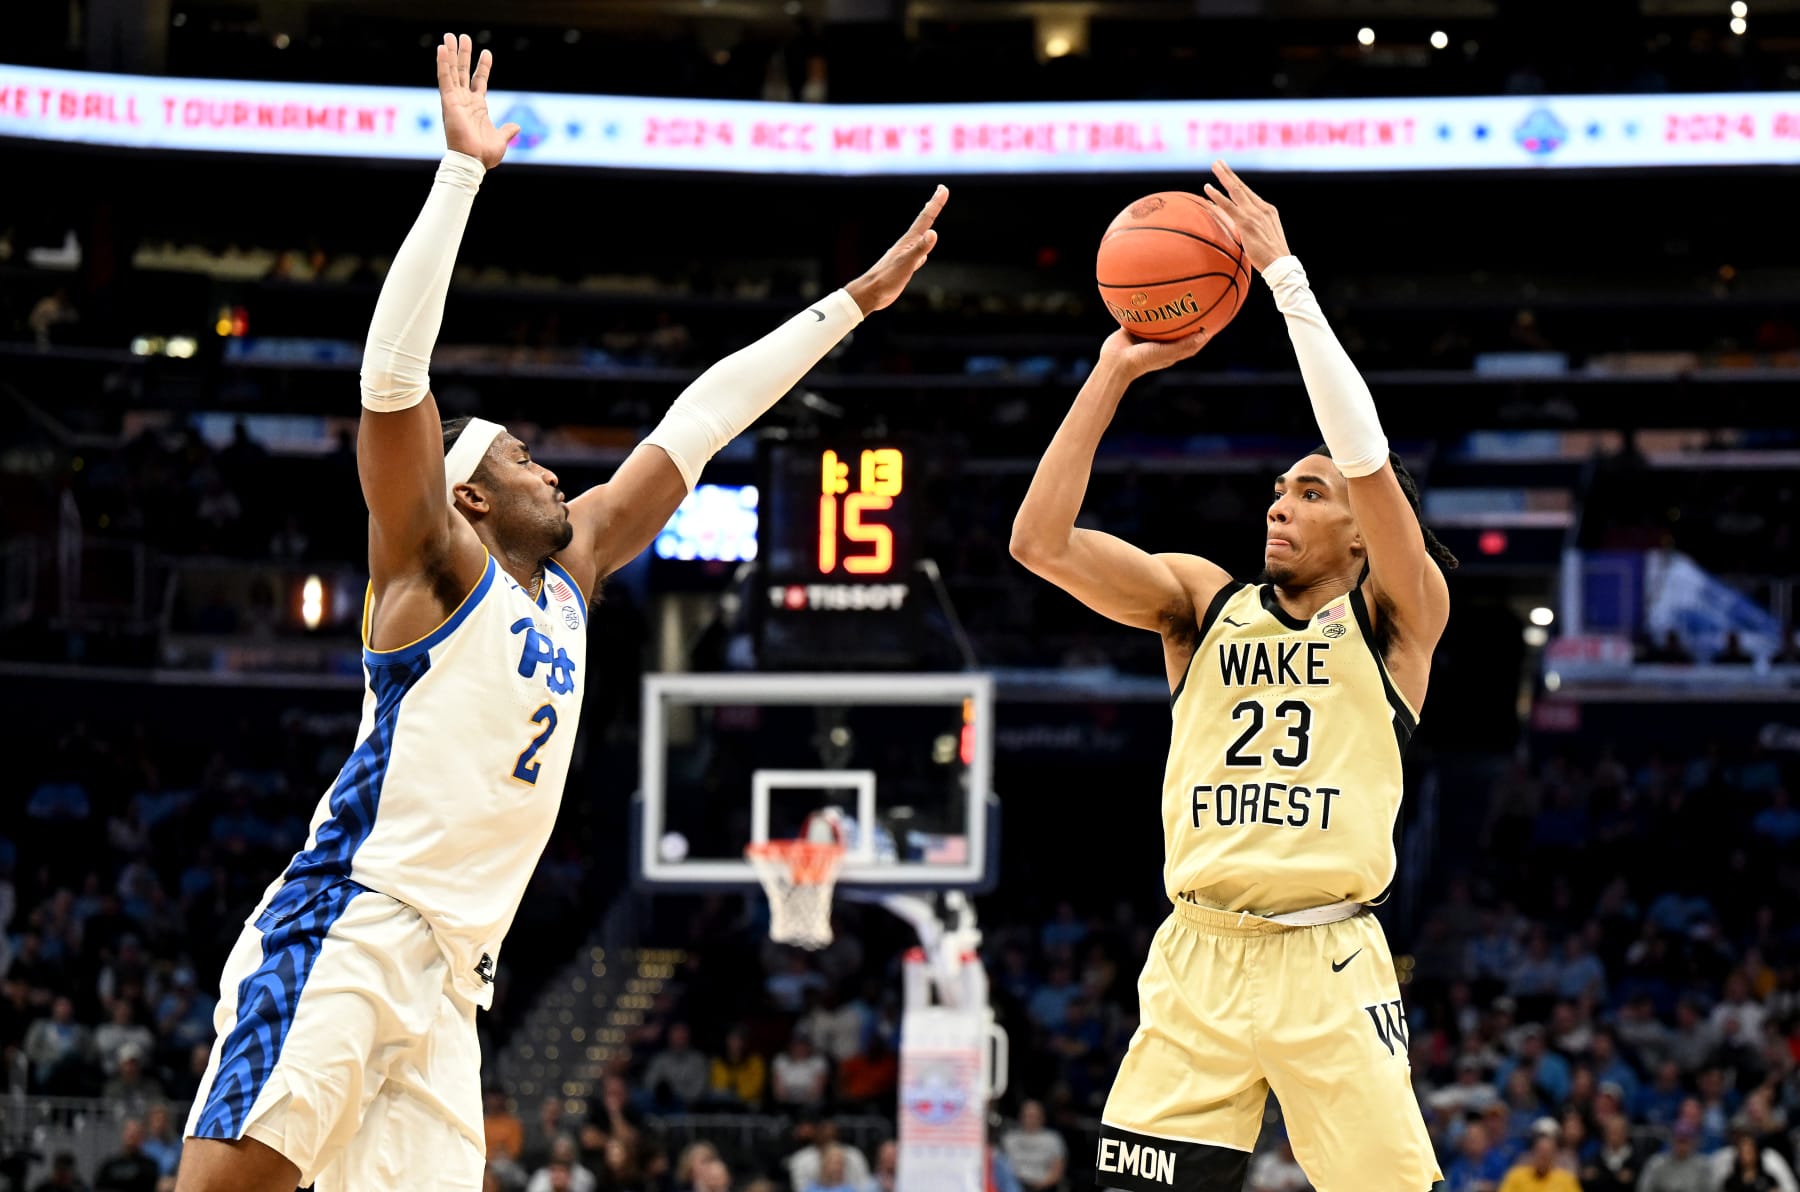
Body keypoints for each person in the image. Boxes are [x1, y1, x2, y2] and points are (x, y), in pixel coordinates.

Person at [174, 33, 946, 1192]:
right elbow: (391, 380)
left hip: (453, 979)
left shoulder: (572, 580)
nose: (556, 474)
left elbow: (700, 420)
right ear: (470, 492)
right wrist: (459, 174)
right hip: (352, 927)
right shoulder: (431, 570)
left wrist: (851, 305)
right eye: (529, 459)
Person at [1011, 160, 1457, 1192]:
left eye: (1309, 492)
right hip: (1197, 954)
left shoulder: (1400, 618)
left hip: (1328, 960)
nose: (1281, 505)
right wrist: (1113, 372)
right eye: (1277, 489)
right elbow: (1038, 541)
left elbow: (1367, 454)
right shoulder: (1200, 602)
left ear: (1362, 526)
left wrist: (1288, 281)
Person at [1493, 1135, 1579, 1192]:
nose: (1543, 1156)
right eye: (1540, 1151)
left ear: (1555, 1156)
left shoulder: (1566, 1180)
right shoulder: (1515, 1175)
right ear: (1533, 1153)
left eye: (1548, 1153)